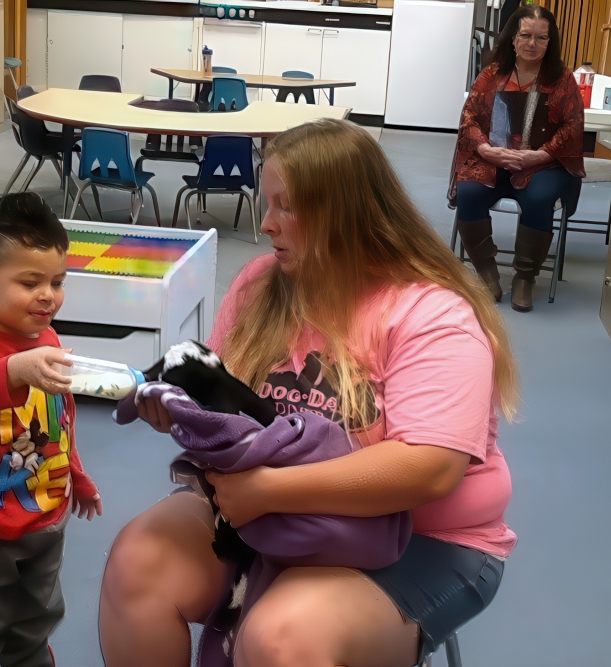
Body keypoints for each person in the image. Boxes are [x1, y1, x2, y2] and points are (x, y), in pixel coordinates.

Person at [100, 118, 518, 667]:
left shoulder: (431, 314)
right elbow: (236, 409)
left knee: (282, 639)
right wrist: (182, 408)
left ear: (347, 215)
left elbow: (430, 468)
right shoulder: (261, 284)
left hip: (425, 537)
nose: (267, 224)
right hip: (268, 508)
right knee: (138, 563)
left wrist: (271, 492)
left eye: (287, 206)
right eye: (267, 202)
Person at [0, 193, 103, 667]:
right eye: (29, 281)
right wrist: (16, 368)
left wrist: (79, 475)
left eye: (57, 281)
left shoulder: (49, 339)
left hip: (47, 515)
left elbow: (62, 417)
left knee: (38, 617)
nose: (48, 295)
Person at [449, 4, 584, 312]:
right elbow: (468, 118)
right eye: (525, 35)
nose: (532, 44)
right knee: (470, 191)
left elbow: (574, 124)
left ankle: (525, 277)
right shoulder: (492, 74)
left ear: (550, 42)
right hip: (492, 159)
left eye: (541, 37)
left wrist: (541, 153)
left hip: (543, 164)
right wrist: (484, 149)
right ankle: (486, 273)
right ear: (512, 38)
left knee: (539, 197)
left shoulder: (562, 79)